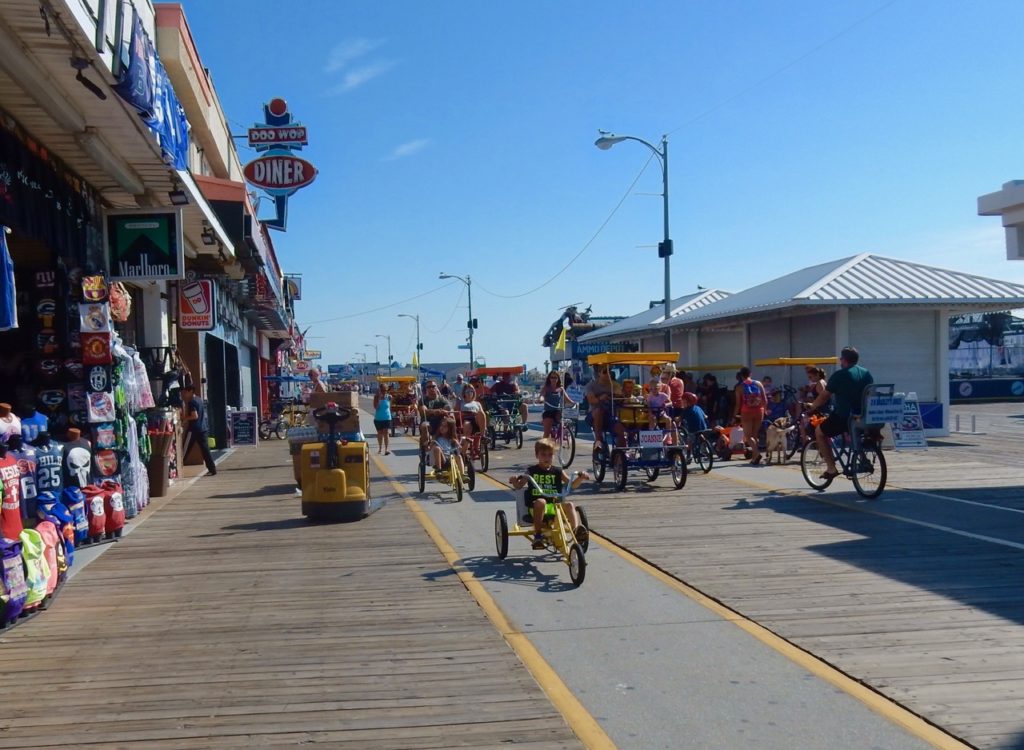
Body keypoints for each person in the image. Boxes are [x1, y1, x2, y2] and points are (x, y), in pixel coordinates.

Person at [805, 346, 873, 480]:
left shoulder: (840, 374)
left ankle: (831, 469)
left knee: (820, 432)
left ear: (844, 360)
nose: (840, 361)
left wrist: (813, 406)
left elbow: (824, 395)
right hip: (864, 416)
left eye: (841, 359)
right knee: (853, 434)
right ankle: (863, 460)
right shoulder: (866, 373)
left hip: (844, 416)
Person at [509, 438, 589, 550]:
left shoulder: (558, 471)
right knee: (541, 502)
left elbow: (572, 485)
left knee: (570, 505)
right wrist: (514, 481)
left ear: (554, 456)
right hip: (536, 507)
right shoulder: (531, 471)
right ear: (537, 455)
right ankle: (537, 536)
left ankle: (576, 531)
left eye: (550, 455)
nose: (547, 458)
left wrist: (580, 478)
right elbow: (518, 486)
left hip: (554, 506)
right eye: (543, 455)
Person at [733, 367, 767, 465]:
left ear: (741, 375)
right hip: (759, 411)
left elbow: (738, 404)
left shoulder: (739, 387)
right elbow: (764, 399)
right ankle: (754, 458)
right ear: (750, 374)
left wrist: (734, 415)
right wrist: (765, 410)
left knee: (748, 436)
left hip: (746, 412)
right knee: (754, 435)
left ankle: (756, 453)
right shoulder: (759, 384)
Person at [585, 364, 625, 448]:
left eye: (609, 371)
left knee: (620, 430)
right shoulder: (591, 386)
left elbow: (621, 397)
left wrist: (620, 396)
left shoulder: (615, 385)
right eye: (605, 372)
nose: (608, 374)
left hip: (610, 415)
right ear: (599, 373)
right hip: (593, 415)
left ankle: (620, 453)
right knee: (599, 411)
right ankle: (598, 440)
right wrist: (600, 398)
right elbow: (591, 400)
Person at [180, 385, 216, 476]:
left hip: (194, 429)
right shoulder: (199, 399)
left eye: (186, 392)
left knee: (185, 449)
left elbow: (194, 415)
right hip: (203, 428)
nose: (184, 394)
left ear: (191, 391)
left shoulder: (192, 402)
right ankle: (212, 468)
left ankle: (178, 468)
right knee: (205, 450)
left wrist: (185, 418)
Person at [418, 381, 452, 453]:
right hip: (428, 422)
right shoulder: (423, 400)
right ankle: (426, 449)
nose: (431, 388)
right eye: (429, 387)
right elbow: (423, 411)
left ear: (437, 388)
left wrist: (445, 410)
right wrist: (435, 411)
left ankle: (454, 446)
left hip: (441, 422)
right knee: (425, 426)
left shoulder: (442, 399)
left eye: (433, 386)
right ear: (426, 389)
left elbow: (448, 408)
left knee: (451, 421)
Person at [540, 372, 577, 438]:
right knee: (547, 433)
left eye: (555, 377)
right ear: (549, 379)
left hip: (557, 411)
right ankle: (544, 446)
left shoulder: (561, 389)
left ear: (558, 379)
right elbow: (542, 395)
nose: (553, 379)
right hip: (548, 411)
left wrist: (574, 403)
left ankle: (562, 433)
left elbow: (567, 399)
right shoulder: (546, 388)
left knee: (562, 420)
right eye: (552, 377)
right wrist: (541, 399)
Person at [429, 417, 464, 485]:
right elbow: (430, 447)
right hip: (441, 459)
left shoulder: (452, 439)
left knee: (459, 456)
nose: (441, 428)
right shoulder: (436, 438)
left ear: (450, 429)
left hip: (450, 459)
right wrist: (430, 444)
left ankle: (462, 475)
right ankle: (439, 470)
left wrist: (460, 446)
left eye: (444, 426)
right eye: (441, 426)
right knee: (437, 448)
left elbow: (459, 449)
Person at [458, 384, 487, 450]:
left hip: (476, 419)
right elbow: (456, 414)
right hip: (465, 419)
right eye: (467, 391)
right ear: (464, 393)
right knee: (467, 424)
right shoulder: (460, 403)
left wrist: (475, 413)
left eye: (471, 391)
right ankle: (465, 449)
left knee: (481, 413)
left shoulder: (477, 403)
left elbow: (482, 414)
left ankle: (483, 436)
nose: (469, 393)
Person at [372, 383, 392, 455]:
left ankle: (386, 449)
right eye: (382, 390)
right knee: (380, 434)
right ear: (379, 390)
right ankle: (380, 448)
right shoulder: (376, 397)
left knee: (386, 433)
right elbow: (376, 407)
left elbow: (390, 406)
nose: (384, 392)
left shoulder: (389, 397)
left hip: (387, 417)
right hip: (378, 418)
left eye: (385, 390)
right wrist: (379, 399)